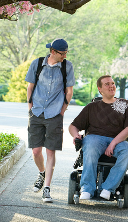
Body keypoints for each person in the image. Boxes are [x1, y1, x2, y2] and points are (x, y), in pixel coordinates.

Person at [69, 75, 128, 200]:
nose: (111, 86)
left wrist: (113, 143)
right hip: (95, 138)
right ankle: (87, 188)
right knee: (91, 144)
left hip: (117, 140)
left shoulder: (124, 104)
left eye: (113, 83)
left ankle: (108, 188)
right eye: (107, 84)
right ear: (100, 89)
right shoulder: (92, 107)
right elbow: (73, 126)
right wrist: (75, 134)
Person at [25, 38, 75, 203]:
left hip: (54, 114)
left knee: (50, 151)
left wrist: (61, 112)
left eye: (66, 52)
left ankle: (47, 188)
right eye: (62, 53)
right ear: (53, 52)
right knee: (36, 151)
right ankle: (42, 172)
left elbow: (69, 91)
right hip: (37, 111)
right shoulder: (37, 64)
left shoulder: (67, 66)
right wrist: (30, 108)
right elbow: (30, 86)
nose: (65, 55)